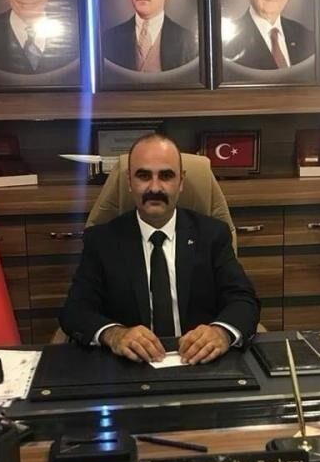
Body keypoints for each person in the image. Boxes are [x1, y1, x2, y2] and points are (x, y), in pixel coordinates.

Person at [62, 134, 259, 365]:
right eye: (143, 176)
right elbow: (75, 310)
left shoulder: (212, 235)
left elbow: (243, 300)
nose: (154, 187)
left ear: (181, 181)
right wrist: (114, 334)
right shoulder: (102, 240)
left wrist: (221, 332)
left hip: (200, 364)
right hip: (130, 366)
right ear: (129, 181)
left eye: (166, 176)